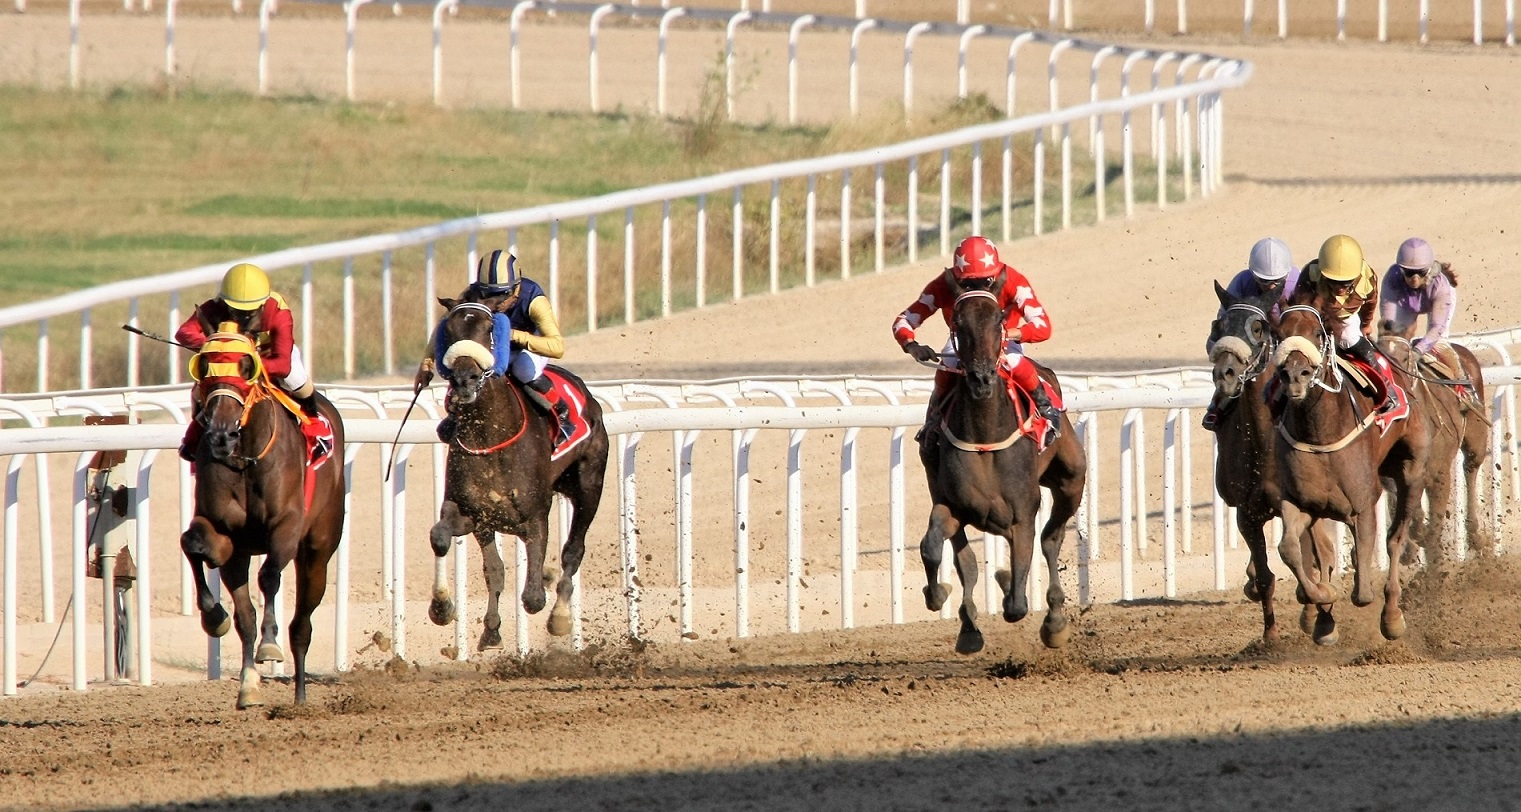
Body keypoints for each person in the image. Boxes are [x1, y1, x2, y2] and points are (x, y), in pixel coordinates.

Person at [892, 235, 1062, 440]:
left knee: (1014, 361)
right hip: (963, 342)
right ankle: (934, 420)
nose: (977, 288)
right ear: (957, 277)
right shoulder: (943, 285)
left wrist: (1008, 334)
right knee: (948, 362)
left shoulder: (1013, 281)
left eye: (985, 282)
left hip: (1002, 340)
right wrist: (911, 344)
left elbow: (1043, 326)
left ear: (995, 276)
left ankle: (1045, 408)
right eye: (967, 283)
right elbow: (904, 320)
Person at [175, 262, 332, 462]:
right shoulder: (215, 306)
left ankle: (314, 425)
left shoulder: (278, 311)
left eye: (249, 312)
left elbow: (282, 365)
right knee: (201, 390)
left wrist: (248, 364)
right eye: (235, 311)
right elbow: (184, 333)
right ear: (224, 302)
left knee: (297, 380)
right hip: (232, 361)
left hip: (268, 354)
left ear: (263, 304)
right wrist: (220, 347)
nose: (242, 316)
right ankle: (196, 434)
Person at [416, 250, 571, 444]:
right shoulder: (472, 294)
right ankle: (454, 413)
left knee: (522, 369)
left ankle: (561, 412)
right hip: (492, 348)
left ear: (516, 289)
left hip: (529, 347)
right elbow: (444, 325)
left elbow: (557, 346)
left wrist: (513, 335)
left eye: (501, 295)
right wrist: (426, 364)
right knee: (466, 367)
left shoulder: (533, 298)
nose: (494, 303)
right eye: (488, 295)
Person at [1292, 234, 1403, 415]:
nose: (1340, 288)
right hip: (1313, 317)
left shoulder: (1367, 277)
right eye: (1334, 282)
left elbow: (1370, 304)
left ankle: (1386, 390)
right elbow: (1300, 304)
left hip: (1345, 319)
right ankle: (1273, 393)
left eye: (1346, 282)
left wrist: (1366, 325)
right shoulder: (1310, 273)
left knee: (1350, 339)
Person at [1202, 237, 1300, 431]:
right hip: (1254, 336)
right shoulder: (1241, 282)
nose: (1271, 286)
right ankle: (1219, 403)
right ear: (1253, 275)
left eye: (1277, 281)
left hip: (1290, 333)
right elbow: (1224, 321)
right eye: (1264, 281)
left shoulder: (1296, 284)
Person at [1380, 236, 1458, 356]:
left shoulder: (1441, 286)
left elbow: (1437, 328)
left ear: (1429, 269)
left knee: (1438, 344)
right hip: (1405, 302)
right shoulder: (1393, 277)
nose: (1415, 280)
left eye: (1421, 273)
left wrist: (1418, 350)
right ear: (1401, 269)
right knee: (1396, 340)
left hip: (1436, 302)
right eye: (1409, 273)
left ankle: (1458, 374)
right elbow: (1388, 319)